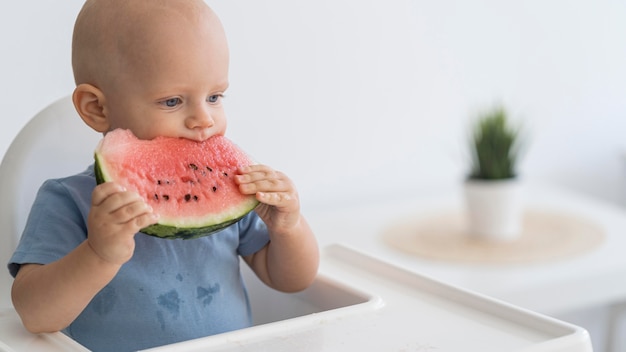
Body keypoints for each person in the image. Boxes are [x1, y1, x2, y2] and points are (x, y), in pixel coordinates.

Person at [8, 0, 319, 351]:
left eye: (215, 96)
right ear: (97, 108)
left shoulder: (235, 189)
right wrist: (98, 254)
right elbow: (35, 316)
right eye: (172, 101)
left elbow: (293, 281)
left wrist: (288, 228)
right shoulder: (69, 200)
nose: (204, 119)